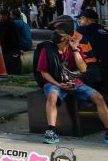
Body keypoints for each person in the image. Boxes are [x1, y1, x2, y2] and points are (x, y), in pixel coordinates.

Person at [35, 16, 108, 145]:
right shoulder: (47, 48)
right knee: (52, 96)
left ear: (68, 36)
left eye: (60, 33)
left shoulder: (74, 47)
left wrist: (75, 49)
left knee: (99, 98)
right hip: (54, 82)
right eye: (55, 32)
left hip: (74, 82)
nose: (56, 35)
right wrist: (59, 85)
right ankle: (51, 131)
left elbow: (83, 69)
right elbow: (44, 73)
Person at [76, 8, 108, 89]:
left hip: (92, 66)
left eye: (80, 18)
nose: (79, 21)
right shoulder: (104, 29)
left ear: (85, 19)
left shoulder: (81, 30)